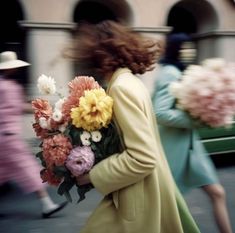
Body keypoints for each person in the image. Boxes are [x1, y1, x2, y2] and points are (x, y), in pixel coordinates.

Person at [64, 20, 201, 233]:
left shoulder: (120, 88)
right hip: (142, 191)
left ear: (100, 55)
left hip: (137, 198)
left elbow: (142, 157)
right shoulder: (131, 82)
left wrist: (91, 175)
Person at [152, 33, 233, 233]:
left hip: (191, 150)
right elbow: (160, 113)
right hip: (174, 148)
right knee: (170, 205)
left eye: (191, 48)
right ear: (176, 49)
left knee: (217, 193)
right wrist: (197, 118)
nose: (190, 52)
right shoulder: (169, 73)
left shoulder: (180, 71)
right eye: (185, 48)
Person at [0, 51, 68, 218]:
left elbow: (18, 107)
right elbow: (21, 107)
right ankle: (47, 204)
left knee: (3, 171)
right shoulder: (12, 88)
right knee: (27, 167)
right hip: (9, 136)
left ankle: (47, 204)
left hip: (3, 137)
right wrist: (47, 109)